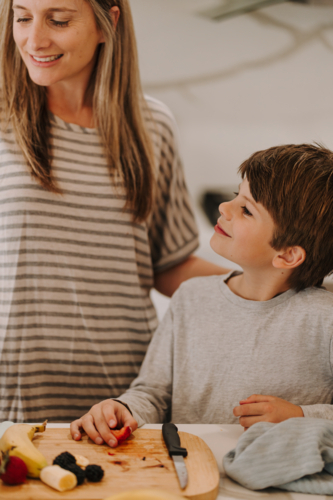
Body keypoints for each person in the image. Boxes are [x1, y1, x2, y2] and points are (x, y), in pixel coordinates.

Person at [0, 0, 229, 423]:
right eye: (23, 17)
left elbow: (169, 265)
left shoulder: (151, 125)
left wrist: (284, 285)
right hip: (14, 398)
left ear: (108, 24)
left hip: (123, 401)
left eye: (59, 19)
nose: (35, 39)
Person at [70, 143, 333, 448]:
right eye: (237, 194)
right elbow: (153, 395)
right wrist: (124, 409)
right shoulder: (191, 298)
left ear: (288, 255)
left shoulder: (324, 318)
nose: (225, 207)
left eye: (246, 209)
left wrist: (300, 416)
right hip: (189, 475)